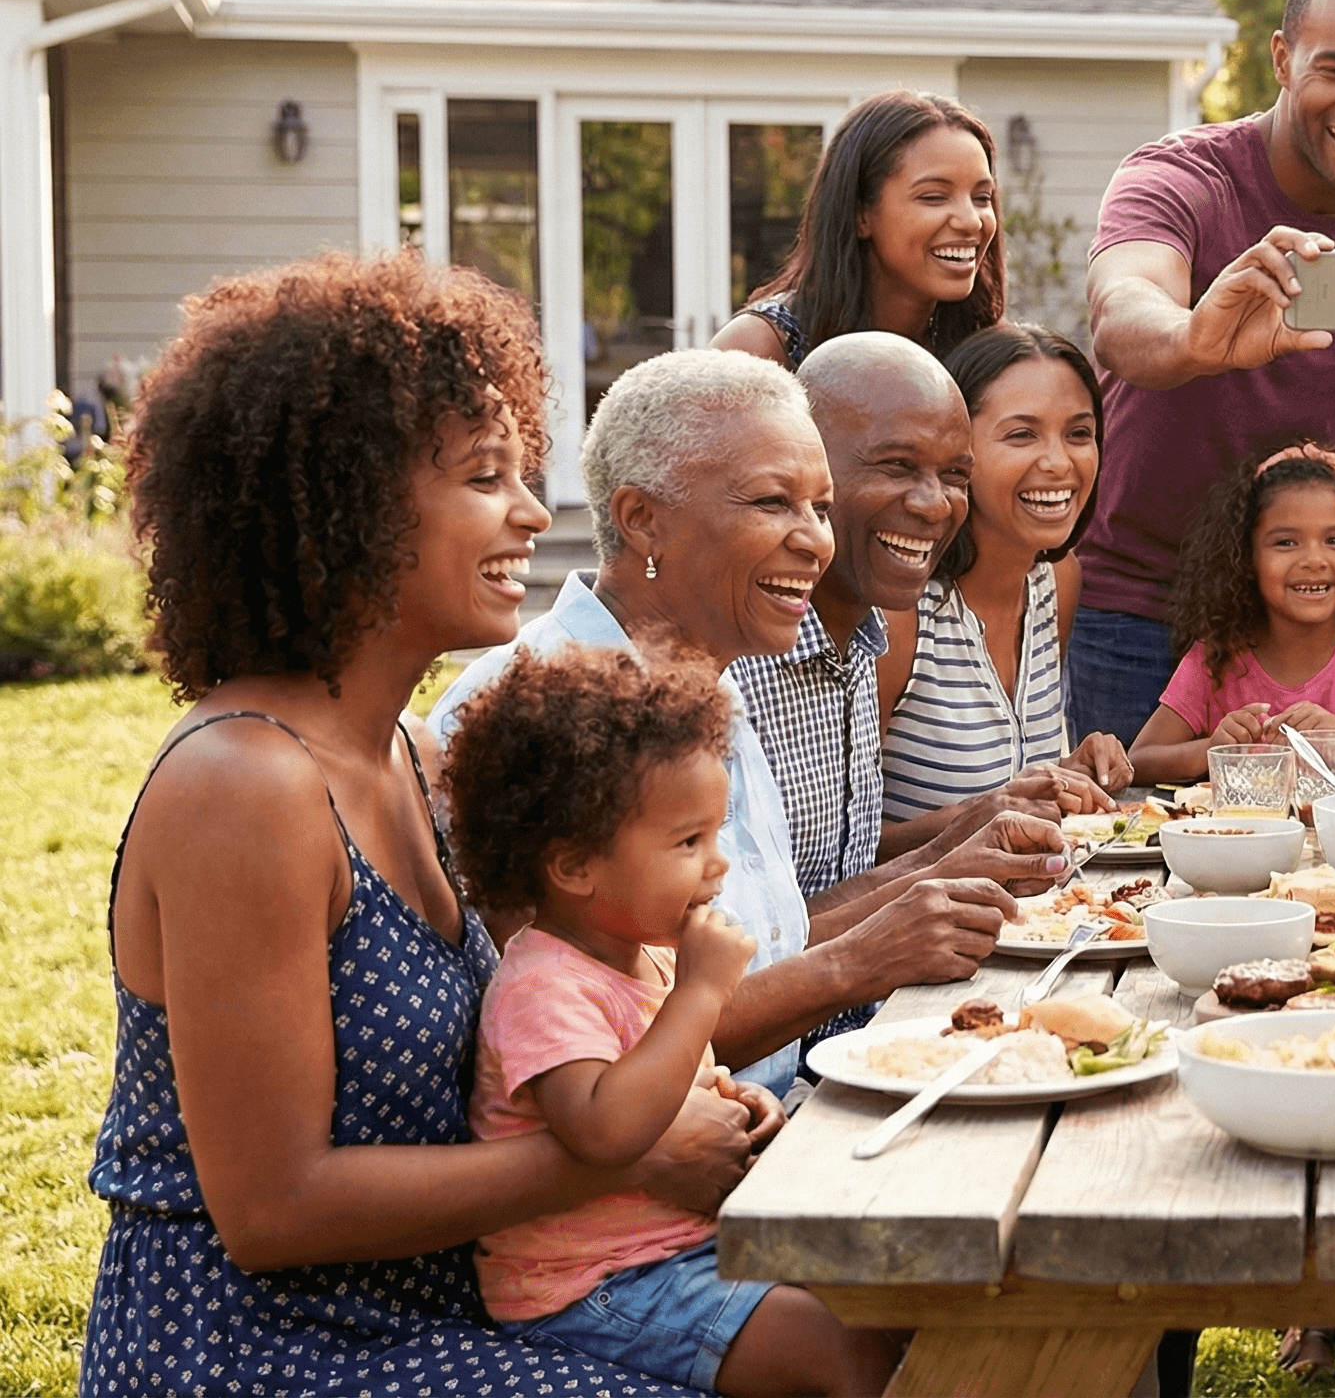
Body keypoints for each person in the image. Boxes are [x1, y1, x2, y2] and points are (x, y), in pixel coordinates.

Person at [86, 252, 757, 1394]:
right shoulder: (245, 786)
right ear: (347, 504)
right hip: (263, 1350)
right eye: (484, 476)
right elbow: (273, 1210)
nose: (533, 513)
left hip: (453, 1302)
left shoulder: (416, 756)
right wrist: (617, 1158)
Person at [433, 350, 1047, 1097]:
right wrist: (860, 961)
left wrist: (939, 869)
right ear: (642, 520)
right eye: (771, 503)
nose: (815, 540)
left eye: (820, 507)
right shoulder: (523, 711)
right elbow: (593, 1044)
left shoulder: (710, 680)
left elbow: (752, 953)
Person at [447, 646, 899, 1396]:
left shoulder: (640, 956)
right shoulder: (544, 985)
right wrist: (700, 995)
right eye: (689, 842)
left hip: (677, 1248)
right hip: (588, 1285)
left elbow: (674, 1080)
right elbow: (606, 1130)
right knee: (840, 1351)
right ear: (574, 865)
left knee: (895, 1294)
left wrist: (733, 1100)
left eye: (716, 836)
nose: (718, 866)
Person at [1073, 0, 1335, 745]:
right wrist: (1197, 337)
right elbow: (1121, 309)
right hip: (1135, 606)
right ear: (1282, 57)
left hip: (1295, 625)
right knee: (1123, 855)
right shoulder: (1179, 178)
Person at [728, 331, 999, 1052]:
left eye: (955, 474)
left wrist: (975, 825)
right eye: (897, 466)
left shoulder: (864, 631)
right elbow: (751, 950)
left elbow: (829, 876)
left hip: (867, 1043)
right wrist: (936, 869)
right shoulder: (734, 661)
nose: (934, 503)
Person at [878, 324, 1131, 853]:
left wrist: (1066, 773)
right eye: (1022, 435)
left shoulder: (1056, 582)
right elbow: (835, 850)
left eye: (1079, 434)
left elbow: (1006, 789)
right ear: (956, 453)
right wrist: (980, 818)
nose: (1060, 462)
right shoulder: (901, 612)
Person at [1129, 445, 1335, 784]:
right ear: (1246, 557)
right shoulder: (1217, 655)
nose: (1314, 560)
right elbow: (1140, 760)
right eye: (1286, 543)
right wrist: (1215, 748)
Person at [713, 91, 1003, 368]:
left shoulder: (986, 352)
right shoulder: (759, 348)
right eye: (934, 197)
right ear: (860, 213)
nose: (972, 221)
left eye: (981, 198)